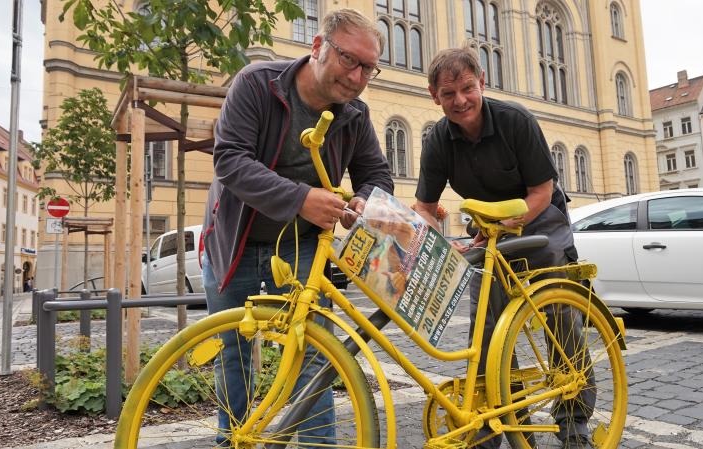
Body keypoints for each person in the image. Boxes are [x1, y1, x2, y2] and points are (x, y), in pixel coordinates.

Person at [201, 8, 394, 447]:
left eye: (369, 67)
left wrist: (365, 198)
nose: (359, 76)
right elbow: (230, 159)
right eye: (350, 60)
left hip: (301, 247)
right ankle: (232, 441)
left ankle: (315, 445)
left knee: (314, 355)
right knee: (234, 355)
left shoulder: (355, 115)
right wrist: (301, 198)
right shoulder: (256, 83)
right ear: (317, 47)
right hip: (236, 241)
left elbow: (376, 174)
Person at [413, 47, 594, 449]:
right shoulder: (438, 140)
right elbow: (424, 209)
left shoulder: (516, 121)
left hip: (540, 219)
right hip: (489, 235)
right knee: (488, 332)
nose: (459, 100)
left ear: (482, 83)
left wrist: (507, 225)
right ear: (434, 96)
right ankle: (503, 426)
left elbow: (542, 192)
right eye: (448, 93)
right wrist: (441, 245)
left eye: (466, 88)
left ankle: (574, 424)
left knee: (559, 318)